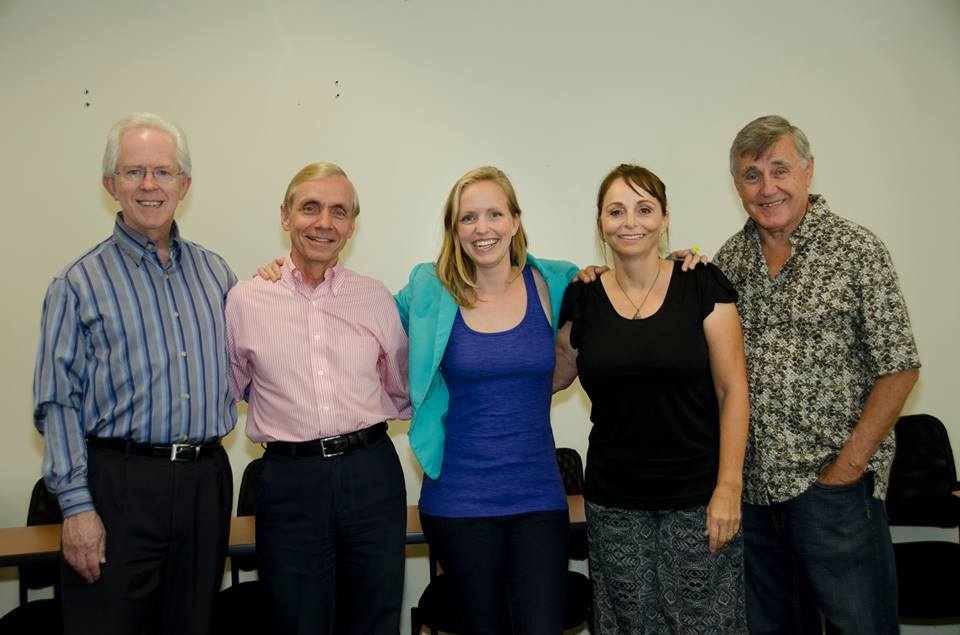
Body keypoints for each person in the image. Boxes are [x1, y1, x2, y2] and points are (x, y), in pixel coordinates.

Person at [715, 115, 920, 634]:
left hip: (833, 494)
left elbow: (899, 367)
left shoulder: (856, 251)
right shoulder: (728, 263)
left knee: (862, 626)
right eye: (752, 175)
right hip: (754, 500)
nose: (767, 187)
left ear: (808, 171)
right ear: (737, 186)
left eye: (779, 170)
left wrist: (846, 470)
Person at [33, 113, 237, 635]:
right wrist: (76, 508)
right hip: (118, 487)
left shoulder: (218, 275)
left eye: (163, 172)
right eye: (134, 172)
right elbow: (57, 403)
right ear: (111, 184)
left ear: (184, 185)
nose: (149, 185)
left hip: (205, 482)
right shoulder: (76, 283)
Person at [554, 164, 750, 633]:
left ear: (664, 219)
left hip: (698, 499)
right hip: (614, 502)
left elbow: (733, 390)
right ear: (601, 223)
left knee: (706, 625)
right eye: (616, 211)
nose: (630, 222)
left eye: (644, 209)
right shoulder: (582, 297)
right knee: (629, 626)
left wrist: (729, 487)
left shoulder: (701, 283)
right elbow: (550, 376)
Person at [225, 162, 410, 634]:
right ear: (285, 216)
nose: (324, 222)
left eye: (338, 211)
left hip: (371, 473)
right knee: (297, 620)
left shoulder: (375, 298)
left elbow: (399, 386)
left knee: (375, 616)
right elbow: (233, 387)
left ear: (352, 225)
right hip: (290, 481)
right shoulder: (245, 299)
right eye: (310, 208)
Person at [394, 166, 577, 634]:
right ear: (454, 229)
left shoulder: (554, 283)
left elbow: (626, 289)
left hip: (538, 498)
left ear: (515, 221)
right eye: (468, 218)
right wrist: (289, 272)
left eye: (494, 214)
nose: (482, 228)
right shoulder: (429, 289)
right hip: (459, 502)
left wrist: (675, 263)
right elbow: (364, 319)